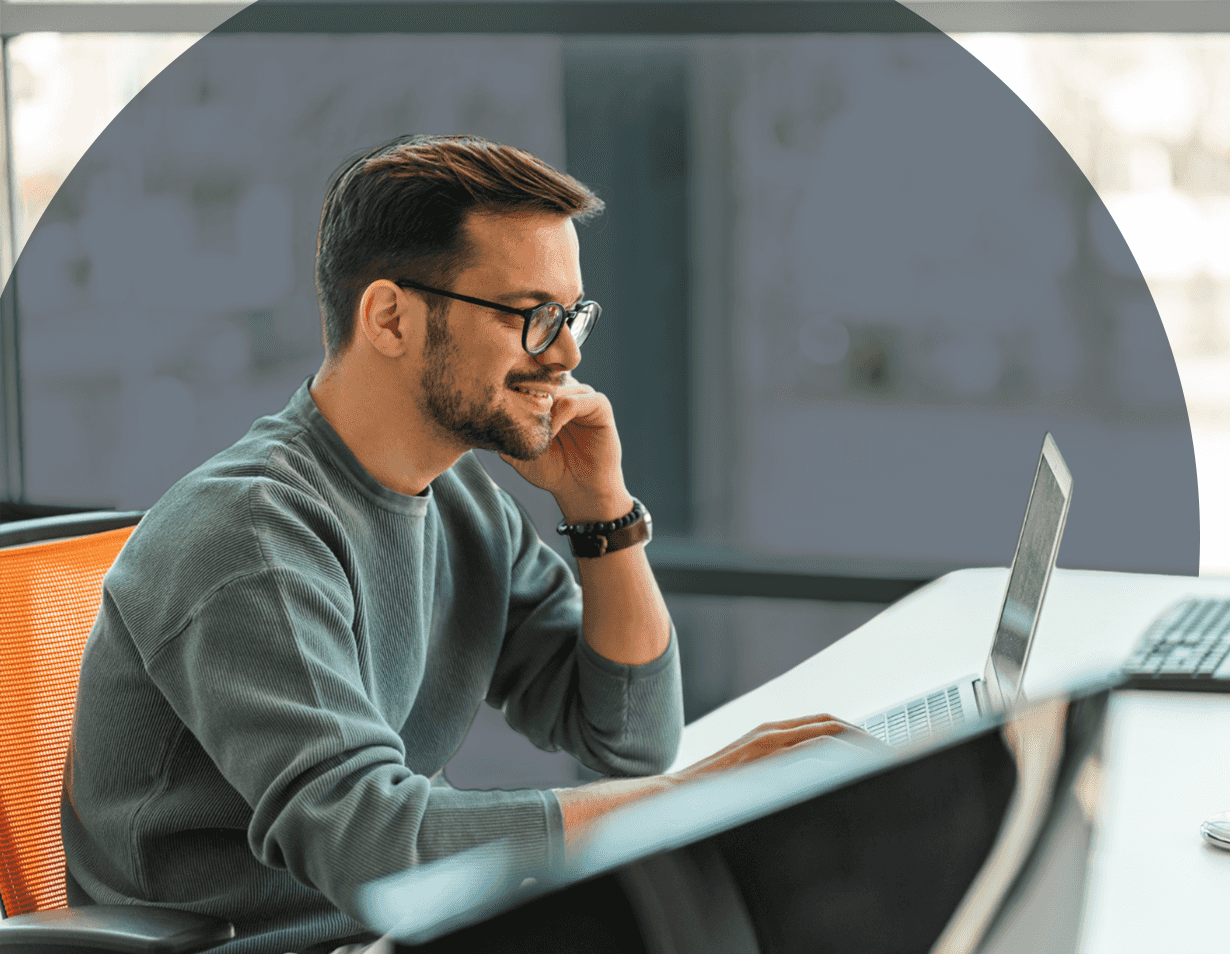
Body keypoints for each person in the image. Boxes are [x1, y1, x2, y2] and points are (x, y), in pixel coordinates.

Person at [62, 134, 870, 954]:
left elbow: (627, 737)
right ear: (390, 317)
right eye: (532, 316)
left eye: (572, 314)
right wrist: (695, 801)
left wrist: (603, 514)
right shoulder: (248, 535)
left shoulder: (459, 501)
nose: (567, 352)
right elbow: (376, 846)